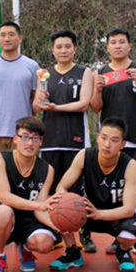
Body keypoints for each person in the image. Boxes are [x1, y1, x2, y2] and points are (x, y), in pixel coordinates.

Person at [89, 28, 136, 258]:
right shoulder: (101, 72)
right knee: (114, 192)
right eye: (113, 42)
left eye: (122, 42)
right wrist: (97, 90)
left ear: (129, 45)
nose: (117, 46)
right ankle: (120, 236)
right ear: (107, 47)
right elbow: (96, 107)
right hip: (110, 144)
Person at [49, 117, 136, 272]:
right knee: (60, 209)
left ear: (122, 144)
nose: (107, 144)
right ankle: (72, 252)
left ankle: (123, 251)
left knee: (129, 234)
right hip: (86, 213)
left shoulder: (130, 165)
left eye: (114, 140)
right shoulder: (84, 156)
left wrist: (100, 214)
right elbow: (62, 186)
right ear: (98, 138)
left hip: (115, 215)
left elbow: (129, 209)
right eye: (104, 138)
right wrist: (65, 204)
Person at [0, 21, 39, 249]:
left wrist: (25, 126)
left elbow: (36, 98)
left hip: (21, 135)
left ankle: (22, 229)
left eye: (11, 34)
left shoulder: (31, 66)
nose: (7, 38)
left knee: (22, 180)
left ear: (19, 38)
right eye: (2, 35)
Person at [32, 30, 94, 251]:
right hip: (50, 141)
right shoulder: (45, 74)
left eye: (68, 46)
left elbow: (84, 103)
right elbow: (36, 108)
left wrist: (57, 107)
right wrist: (41, 101)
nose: (63, 50)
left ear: (75, 49)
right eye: (59, 47)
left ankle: (85, 232)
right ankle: (58, 230)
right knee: (52, 192)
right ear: (52, 50)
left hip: (76, 141)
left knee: (79, 191)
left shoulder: (84, 72)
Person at [0, 117, 58, 272]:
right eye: (25, 137)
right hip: (1, 216)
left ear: (41, 142)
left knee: (45, 243)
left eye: (35, 138)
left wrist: (57, 225)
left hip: (29, 218)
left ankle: (25, 247)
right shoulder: (0, 158)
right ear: (15, 139)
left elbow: (40, 209)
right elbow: (4, 197)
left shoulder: (47, 169)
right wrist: (39, 205)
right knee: (3, 212)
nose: (29, 143)